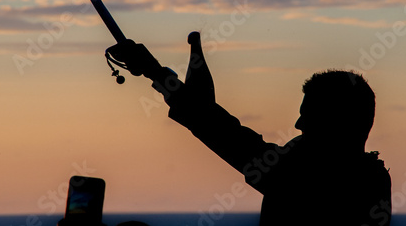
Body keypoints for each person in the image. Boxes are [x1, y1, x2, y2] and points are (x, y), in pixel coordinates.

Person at [168, 69, 392, 225]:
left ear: (336, 123)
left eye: (309, 117)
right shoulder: (373, 176)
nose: (298, 124)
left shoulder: (317, 177)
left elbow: (236, 142)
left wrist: (160, 77)